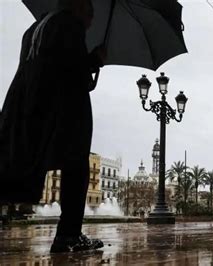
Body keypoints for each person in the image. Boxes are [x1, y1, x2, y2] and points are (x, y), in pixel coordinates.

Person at [0, 0, 106, 253]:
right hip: (61, 110)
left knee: (20, 162)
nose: (91, 20)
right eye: (89, 12)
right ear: (76, 6)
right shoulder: (69, 25)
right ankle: (68, 235)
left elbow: (51, 64)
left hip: (28, 103)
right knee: (76, 163)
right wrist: (95, 60)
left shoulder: (35, 28)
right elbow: (74, 72)